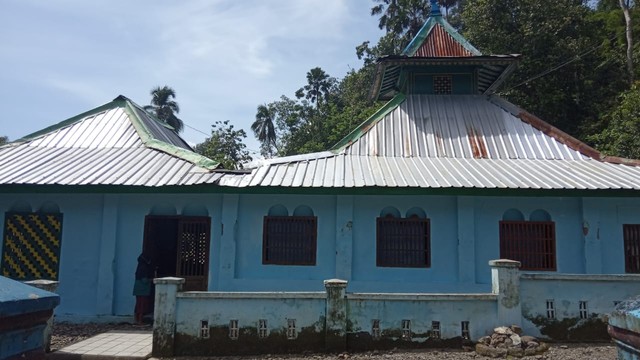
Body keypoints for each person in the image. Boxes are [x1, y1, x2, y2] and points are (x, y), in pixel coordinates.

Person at [133, 252, 153, 325]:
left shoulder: (139, 267)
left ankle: (136, 320)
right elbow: (144, 280)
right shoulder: (144, 268)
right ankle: (140, 321)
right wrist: (152, 280)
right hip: (143, 289)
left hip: (137, 289)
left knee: (138, 304)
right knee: (142, 305)